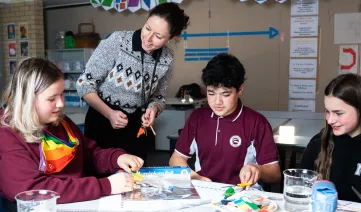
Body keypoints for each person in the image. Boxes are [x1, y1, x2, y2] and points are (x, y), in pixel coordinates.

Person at [0, 58, 144, 210]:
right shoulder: (7, 135)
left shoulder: (61, 122)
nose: (61, 104)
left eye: (61, 94)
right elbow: (32, 189)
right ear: (26, 100)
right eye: (51, 98)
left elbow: (90, 153)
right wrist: (105, 186)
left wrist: (116, 158)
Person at [76, 2, 190, 162]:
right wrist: (109, 114)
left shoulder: (167, 58)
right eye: (147, 28)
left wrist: (153, 109)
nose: (148, 39)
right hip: (101, 118)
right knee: (101, 174)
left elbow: (159, 97)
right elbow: (84, 84)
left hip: (134, 124)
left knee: (135, 176)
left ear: (172, 37)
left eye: (158, 36)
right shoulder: (118, 41)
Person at [169, 53, 281, 189]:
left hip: (242, 195)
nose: (217, 102)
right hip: (205, 190)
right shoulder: (197, 118)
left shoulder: (256, 122)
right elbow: (176, 158)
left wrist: (257, 169)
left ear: (240, 90)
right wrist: (191, 175)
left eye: (225, 94)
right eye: (211, 93)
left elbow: (275, 173)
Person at [300, 73, 361, 203]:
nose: (330, 120)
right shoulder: (318, 143)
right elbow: (301, 186)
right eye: (327, 112)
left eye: (338, 113)